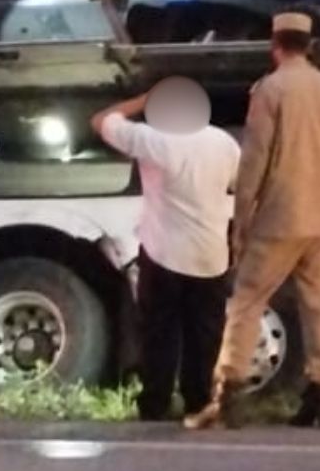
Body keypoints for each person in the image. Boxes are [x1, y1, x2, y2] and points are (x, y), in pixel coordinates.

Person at [190, 11, 320, 430]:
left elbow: (255, 159)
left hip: (280, 217)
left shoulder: (271, 88)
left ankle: (227, 399)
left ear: (274, 44)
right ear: (309, 44)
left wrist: (242, 220)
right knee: (316, 308)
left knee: (246, 303)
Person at [93, 79, 241, 422]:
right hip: (210, 254)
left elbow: (101, 121)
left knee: (160, 332)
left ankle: (156, 403)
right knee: (203, 334)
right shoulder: (224, 143)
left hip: (164, 254)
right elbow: (237, 183)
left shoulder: (153, 138)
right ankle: (198, 402)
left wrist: (144, 99)